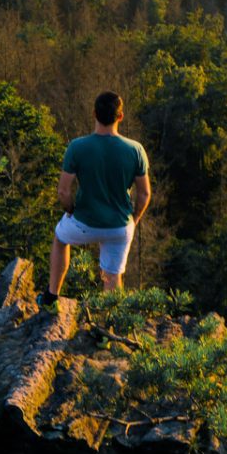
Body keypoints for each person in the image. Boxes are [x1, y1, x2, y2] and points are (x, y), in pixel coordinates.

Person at [41, 91, 150, 304]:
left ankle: (51, 296)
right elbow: (144, 194)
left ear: (94, 114)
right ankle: (110, 324)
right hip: (120, 226)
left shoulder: (77, 147)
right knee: (112, 276)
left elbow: (63, 191)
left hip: (84, 222)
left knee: (61, 239)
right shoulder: (135, 150)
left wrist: (71, 210)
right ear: (120, 117)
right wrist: (134, 219)